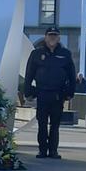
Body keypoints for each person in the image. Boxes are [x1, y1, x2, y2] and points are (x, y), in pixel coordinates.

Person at [22, 27, 76, 160]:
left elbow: (71, 75)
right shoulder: (36, 53)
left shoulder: (65, 54)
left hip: (58, 94)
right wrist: (27, 91)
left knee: (55, 124)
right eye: (50, 35)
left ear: (59, 38)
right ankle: (42, 150)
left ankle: (53, 151)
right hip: (42, 93)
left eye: (55, 35)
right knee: (42, 124)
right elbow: (29, 74)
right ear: (45, 37)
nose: (52, 38)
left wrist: (70, 93)